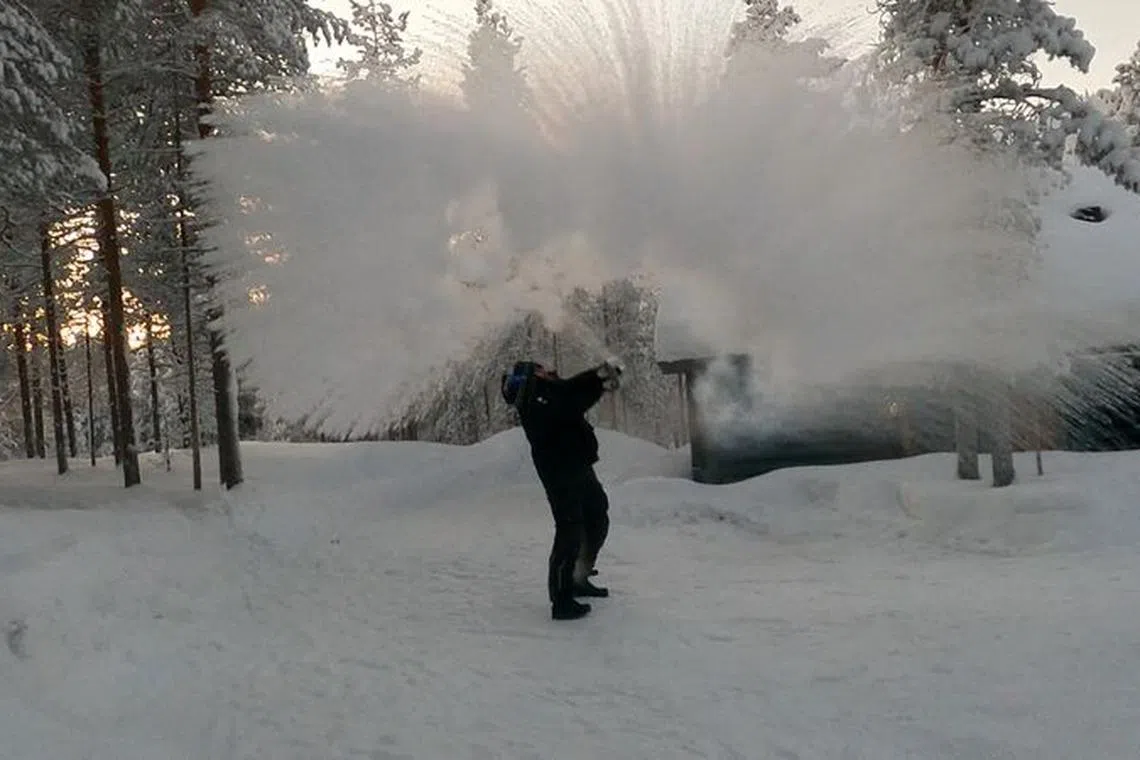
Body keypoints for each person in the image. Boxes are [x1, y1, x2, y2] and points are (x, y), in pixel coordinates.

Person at [501, 358, 622, 620]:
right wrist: (599, 381)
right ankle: (561, 599)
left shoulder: (548, 389)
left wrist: (599, 375)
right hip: (558, 470)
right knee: (570, 528)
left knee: (597, 515)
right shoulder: (533, 395)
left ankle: (579, 575)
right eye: (541, 368)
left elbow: (570, 389)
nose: (548, 370)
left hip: (578, 464)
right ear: (533, 374)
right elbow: (569, 401)